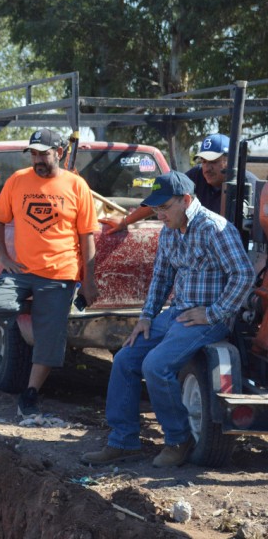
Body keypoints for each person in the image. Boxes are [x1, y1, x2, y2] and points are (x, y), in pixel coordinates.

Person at [81, 171, 253, 467]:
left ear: (186, 200)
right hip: (177, 313)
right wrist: (146, 318)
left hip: (208, 318)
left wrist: (213, 312)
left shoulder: (216, 229)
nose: (159, 214)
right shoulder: (170, 229)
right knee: (125, 359)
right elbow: (161, 277)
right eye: (156, 209)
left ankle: (178, 440)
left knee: (156, 365)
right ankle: (123, 442)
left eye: (164, 207)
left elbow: (244, 275)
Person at [0, 128, 99, 417]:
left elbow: (87, 237)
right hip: (21, 270)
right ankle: (31, 308)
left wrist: (89, 281)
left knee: (49, 340)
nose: (37, 160)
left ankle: (31, 394)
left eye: (43, 154)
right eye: (33, 154)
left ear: (59, 152)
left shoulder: (76, 186)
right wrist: (2, 255)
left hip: (61, 274)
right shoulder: (18, 181)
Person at [102, 133, 258, 233]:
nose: (207, 168)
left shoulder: (250, 184)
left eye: (214, 162)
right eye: (203, 162)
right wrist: (125, 222)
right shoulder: (197, 174)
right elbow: (164, 196)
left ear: (230, 161)